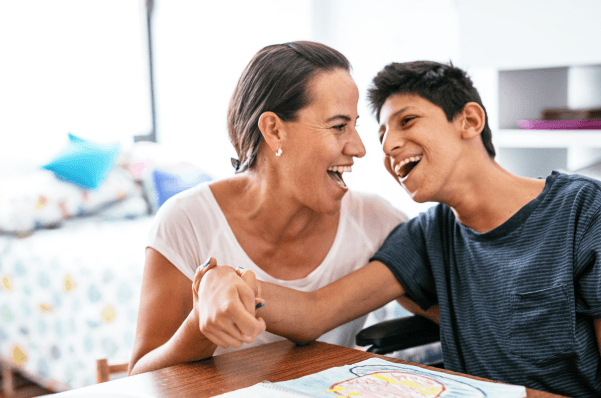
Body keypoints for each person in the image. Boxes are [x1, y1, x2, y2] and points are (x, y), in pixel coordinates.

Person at [197, 61, 601, 397]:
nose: (388, 145)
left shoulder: (583, 208)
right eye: (380, 135)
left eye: (407, 121)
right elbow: (316, 310)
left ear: (469, 120)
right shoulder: (429, 233)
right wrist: (225, 281)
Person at [126, 41, 408, 376]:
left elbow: (447, 303)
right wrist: (201, 324)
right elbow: (141, 381)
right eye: (338, 126)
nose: (359, 148)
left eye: (355, 125)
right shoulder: (186, 221)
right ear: (274, 130)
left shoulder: (374, 220)